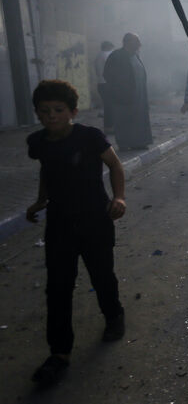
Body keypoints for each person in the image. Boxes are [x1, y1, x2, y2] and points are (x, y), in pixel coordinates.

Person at [25, 80, 127, 387]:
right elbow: (47, 168)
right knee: (57, 289)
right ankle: (59, 353)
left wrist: (119, 197)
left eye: (58, 110)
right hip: (58, 224)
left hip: (95, 220)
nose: (52, 116)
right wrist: (41, 199)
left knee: (102, 275)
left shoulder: (90, 137)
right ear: (38, 114)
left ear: (73, 111)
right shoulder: (38, 142)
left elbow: (115, 166)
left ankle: (114, 316)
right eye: (45, 111)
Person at [103, 33, 152, 150]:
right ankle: (124, 143)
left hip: (139, 97)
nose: (139, 44)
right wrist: (120, 88)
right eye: (137, 42)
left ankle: (139, 142)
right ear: (127, 42)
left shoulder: (135, 56)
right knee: (124, 120)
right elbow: (107, 74)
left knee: (138, 120)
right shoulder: (117, 56)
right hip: (123, 97)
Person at [94, 41, 114, 133]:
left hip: (101, 83)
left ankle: (108, 127)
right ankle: (110, 127)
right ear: (109, 47)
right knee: (110, 107)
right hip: (107, 84)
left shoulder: (98, 56)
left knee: (107, 106)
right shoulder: (108, 55)